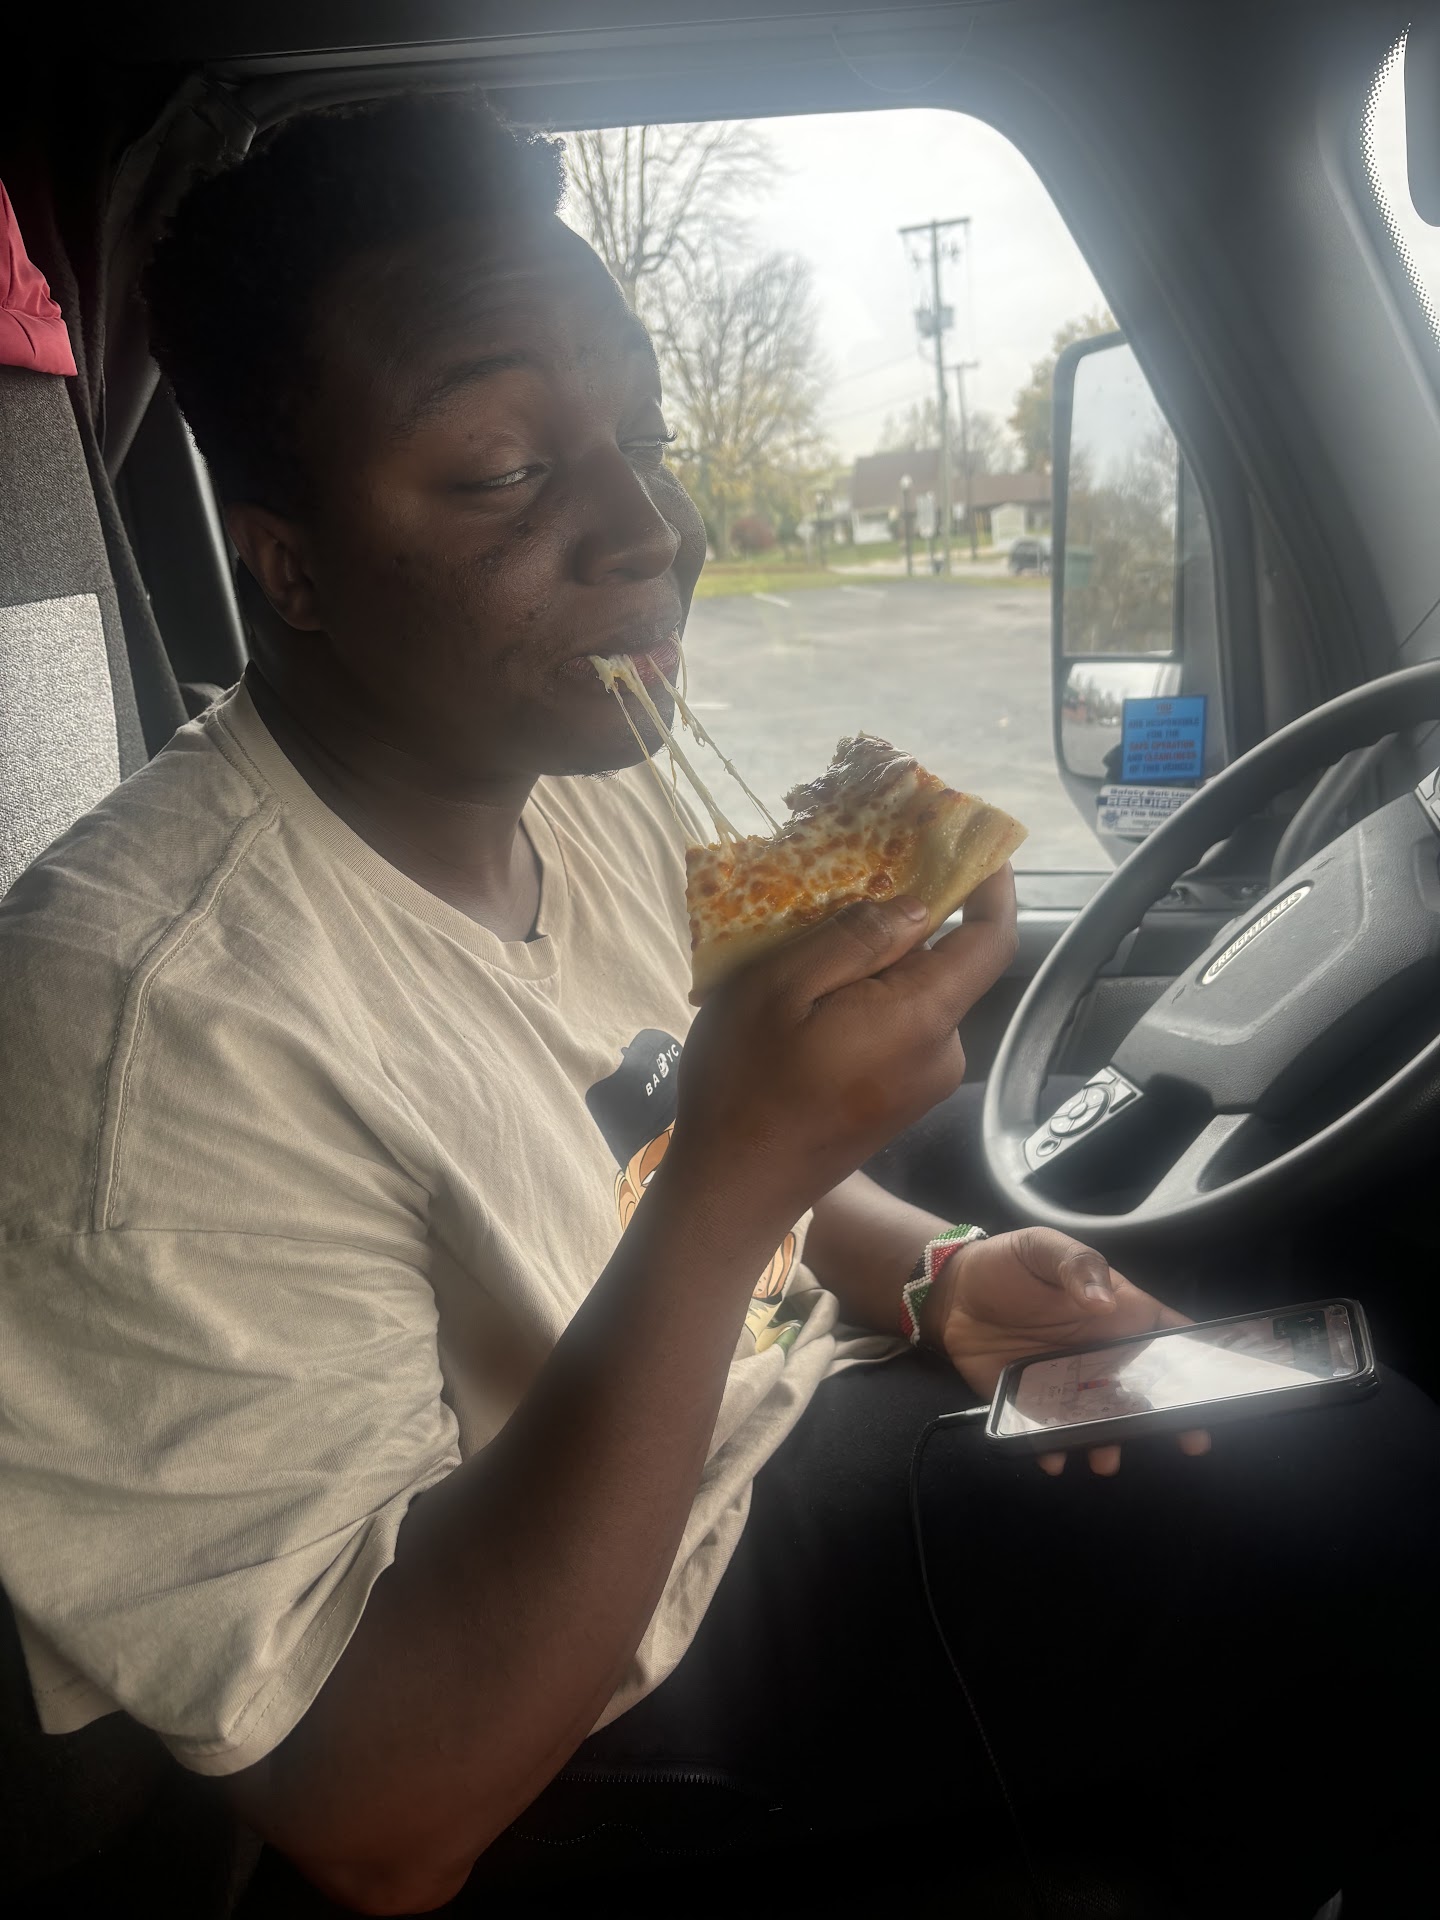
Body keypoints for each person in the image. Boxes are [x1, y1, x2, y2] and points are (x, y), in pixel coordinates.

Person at [0, 95, 1436, 1920]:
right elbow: (376, 1811)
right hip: (583, 1691)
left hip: (759, 1423)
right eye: (502, 472)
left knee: (1314, 1407)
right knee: (1365, 1500)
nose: (650, 523)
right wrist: (742, 1178)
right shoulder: (146, 1021)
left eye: (643, 433)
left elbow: (658, 1125)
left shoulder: (570, 766)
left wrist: (933, 1269)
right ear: (284, 562)